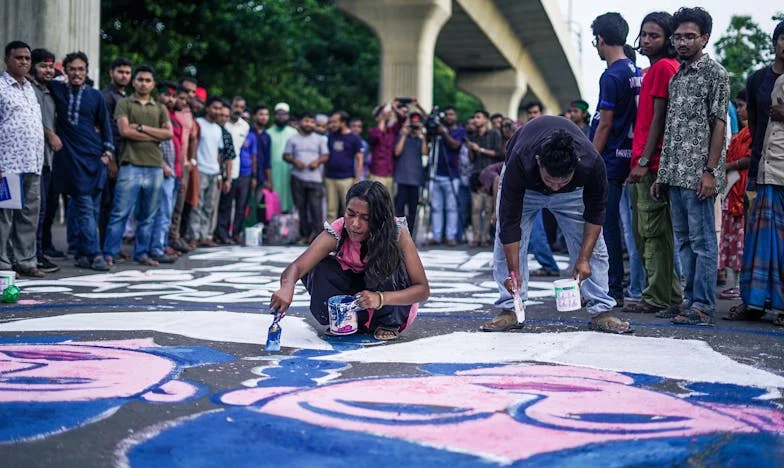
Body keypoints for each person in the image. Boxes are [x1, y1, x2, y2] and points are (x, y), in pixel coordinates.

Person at [486, 116, 624, 333]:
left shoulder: (591, 163)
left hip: (573, 196)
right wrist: (514, 272)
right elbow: (509, 223)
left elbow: (595, 215)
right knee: (504, 249)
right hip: (527, 189)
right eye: (551, 180)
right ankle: (510, 309)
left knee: (595, 249)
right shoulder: (520, 159)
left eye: (563, 181)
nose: (556, 187)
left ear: (576, 166)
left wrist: (583, 259)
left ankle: (601, 310)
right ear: (539, 161)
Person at [270, 180, 430, 341]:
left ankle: (387, 323)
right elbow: (298, 266)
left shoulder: (397, 233)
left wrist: (381, 298)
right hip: (358, 299)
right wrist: (287, 286)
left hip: (388, 302)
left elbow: (422, 290)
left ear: (380, 218)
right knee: (318, 265)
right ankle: (349, 321)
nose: (354, 224)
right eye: (350, 214)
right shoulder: (338, 231)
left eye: (366, 218)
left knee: (391, 262)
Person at [652, 7, 730, 326]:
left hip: (699, 175)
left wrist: (710, 172)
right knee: (683, 241)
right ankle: (688, 301)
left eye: (689, 36)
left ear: (705, 38)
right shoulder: (677, 77)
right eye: (678, 37)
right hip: (675, 173)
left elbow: (719, 125)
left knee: (702, 242)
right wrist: (662, 174)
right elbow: (672, 129)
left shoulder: (716, 74)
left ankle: (703, 306)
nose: (682, 42)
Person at [624, 11, 683, 315]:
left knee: (651, 234)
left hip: (652, 164)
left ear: (668, 39)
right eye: (644, 34)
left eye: (654, 35)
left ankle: (656, 297)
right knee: (656, 233)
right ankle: (668, 295)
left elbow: (659, 121)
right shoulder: (662, 68)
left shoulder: (662, 68)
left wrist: (644, 161)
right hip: (652, 163)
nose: (646, 40)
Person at [729, 22, 784, 326]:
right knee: (757, 237)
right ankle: (755, 302)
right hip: (762, 168)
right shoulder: (758, 80)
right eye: (783, 39)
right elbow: (754, 123)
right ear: (775, 42)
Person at [589, 12, 643, 306]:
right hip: (629, 156)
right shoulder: (634, 70)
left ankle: (613, 289)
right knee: (628, 229)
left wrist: (591, 160)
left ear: (600, 39)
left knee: (605, 226)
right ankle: (622, 287)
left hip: (610, 160)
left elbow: (606, 124)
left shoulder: (611, 75)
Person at [49, 51, 114, 271]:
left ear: (86, 71)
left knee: (90, 208)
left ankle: (81, 253)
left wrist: (108, 152)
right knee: (85, 205)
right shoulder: (57, 90)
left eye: (81, 69)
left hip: (94, 157)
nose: (77, 73)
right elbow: (42, 77)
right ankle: (95, 254)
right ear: (65, 71)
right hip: (71, 158)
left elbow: (105, 125)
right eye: (72, 69)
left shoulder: (95, 96)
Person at [102, 65, 172, 266]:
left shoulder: (160, 108)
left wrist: (140, 128)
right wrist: (153, 134)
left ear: (153, 84)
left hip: (154, 166)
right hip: (130, 164)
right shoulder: (124, 103)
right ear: (134, 82)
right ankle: (110, 252)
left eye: (148, 80)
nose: (143, 83)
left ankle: (142, 253)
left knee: (148, 215)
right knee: (119, 213)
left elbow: (168, 134)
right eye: (140, 79)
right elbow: (124, 131)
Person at [0, 41, 45, 278]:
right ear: (6, 60)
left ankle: (26, 261)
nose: (24, 62)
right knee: (4, 216)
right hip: (8, 164)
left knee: (29, 215)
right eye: (19, 58)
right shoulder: (0, 87)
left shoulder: (30, 88)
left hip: (32, 162)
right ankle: (2, 263)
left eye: (27, 58)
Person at [28, 48, 61, 274]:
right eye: (43, 66)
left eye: (51, 66)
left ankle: (38, 253)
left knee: (42, 210)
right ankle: (33, 255)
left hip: (47, 160)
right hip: (29, 159)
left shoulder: (50, 91)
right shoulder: (28, 89)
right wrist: (48, 133)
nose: (48, 70)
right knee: (30, 212)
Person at [717, 91, 750, 300]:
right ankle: (734, 283)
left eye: (741, 106)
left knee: (740, 240)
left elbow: (749, 158)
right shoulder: (740, 135)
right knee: (730, 239)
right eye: (737, 106)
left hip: (742, 192)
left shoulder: (752, 134)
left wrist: (729, 166)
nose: (738, 110)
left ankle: (739, 284)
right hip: (732, 191)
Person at [99, 57, 132, 245]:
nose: (124, 75)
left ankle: (112, 245)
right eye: (120, 72)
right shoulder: (106, 97)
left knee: (118, 204)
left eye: (127, 72)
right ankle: (105, 246)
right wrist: (110, 158)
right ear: (111, 73)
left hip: (124, 155)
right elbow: (106, 129)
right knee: (108, 204)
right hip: (110, 156)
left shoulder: (125, 98)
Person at [283, 112, 329, 243]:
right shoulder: (293, 139)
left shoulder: (320, 139)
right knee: (301, 207)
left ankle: (319, 238)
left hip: (315, 179)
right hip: (297, 177)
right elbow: (285, 155)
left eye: (311, 122)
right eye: (306, 121)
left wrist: (318, 161)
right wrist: (295, 161)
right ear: (300, 122)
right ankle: (304, 235)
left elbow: (326, 155)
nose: (309, 124)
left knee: (316, 209)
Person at [187, 96, 226, 246]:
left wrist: (220, 174)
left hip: (214, 171)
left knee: (210, 206)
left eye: (219, 109)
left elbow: (218, 153)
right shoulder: (199, 123)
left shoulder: (218, 129)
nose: (217, 111)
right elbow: (193, 145)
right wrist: (193, 165)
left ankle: (205, 236)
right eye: (215, 108)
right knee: (197, 204)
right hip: (200, 169)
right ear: (208, 108)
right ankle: (193, 236)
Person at [216, 96, 255, 244]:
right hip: (225, 167)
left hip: (240, 168)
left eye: (241, 107)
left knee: (241, 205)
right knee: (226, 203)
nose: (238, 110)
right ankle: (222, 233)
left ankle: (235, 233)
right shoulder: (223, 124)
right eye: (236, 106)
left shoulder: (245, 126)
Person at [466, 110, 503, 247]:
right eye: (475, 117)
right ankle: (476, 237)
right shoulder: (473, 135)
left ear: (486, 120)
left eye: (478, 117)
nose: (475, 120)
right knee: (475, 209)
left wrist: (479, 149)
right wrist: (471, 149)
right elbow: (471, 159)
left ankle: (484, 236)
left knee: (488, 209)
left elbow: (498, 154)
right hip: (476, 176)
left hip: (490, 176)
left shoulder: (494, 134)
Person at [429, 105, 465, 246]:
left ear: (455, 116)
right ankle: (436, 236)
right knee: (436, 208)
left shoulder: (460, 131)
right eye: (447, 114)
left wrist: (443, 133)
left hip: (452, 175)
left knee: (451, 208)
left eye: (451, 114)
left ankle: (451, 236)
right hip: (435, 174)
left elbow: (455, 145)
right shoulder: (436, 131)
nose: (449, 117)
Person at [324, 111, 364, 221]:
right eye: (331, 122)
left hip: (346, 179)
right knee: (331, 211)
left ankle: (347, 235)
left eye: (335, 122)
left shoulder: (354, 138)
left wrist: (357, 179)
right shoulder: (330, 136)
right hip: (330, 178)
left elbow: (360, 159)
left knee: (348, 209)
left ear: (343, 122)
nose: (332, 124)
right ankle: (331, 236)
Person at [393, 113, 427, 233]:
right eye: (413, 125)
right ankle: (398, 233)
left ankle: (410, 235)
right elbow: (397, 152)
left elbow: (425, 152)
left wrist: (422, 135)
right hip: (402, 178)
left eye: (416, 125)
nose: (414, 128)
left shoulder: (421, 138)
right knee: (399, 208)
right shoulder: (402, 136)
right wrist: (404, 134)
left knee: (413, 210)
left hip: (415, 179)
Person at [368, 99, 408, 194]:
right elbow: (377, 135)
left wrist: (394, 108)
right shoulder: (372, 131)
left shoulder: (391, 130)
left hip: (390, 173)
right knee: (376, 201)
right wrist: (382, 118)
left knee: (388, 203)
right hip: (377, 173)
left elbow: (403, 119)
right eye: (381, 114)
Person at [269, 102, 298, 213]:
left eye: (284, 114)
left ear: (288, 116)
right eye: (279, 114)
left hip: (289, 172)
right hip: (273, 172)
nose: (281, 116)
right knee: (274, 198)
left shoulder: (294, 133)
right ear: (275, 115)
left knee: (289, 198)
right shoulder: (268, 133)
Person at [250, 104, 272, 224]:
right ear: (255, 116)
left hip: (262, 176)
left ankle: (253, 229)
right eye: (261, 114)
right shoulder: (248, 131)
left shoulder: (267, 136)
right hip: (248, 174)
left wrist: (269, 180)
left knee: (257, 205)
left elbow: (268, 160)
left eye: (266, 115)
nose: (264, 117)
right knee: (244, 204)